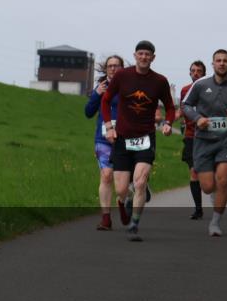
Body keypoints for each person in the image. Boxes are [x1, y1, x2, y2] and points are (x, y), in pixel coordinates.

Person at [102, 40, 176, 242]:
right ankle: (124, 200)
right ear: (135, 55)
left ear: (153, 57)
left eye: (148, 54)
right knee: (121, 189)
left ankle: (134, 224)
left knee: (140, 182)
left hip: (145, 138)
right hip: (123, 138)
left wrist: (168, 123)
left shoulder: (160, 81)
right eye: (140, 53)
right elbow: (106, 100)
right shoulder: (122, 76)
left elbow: (170, 106)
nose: (144, 57)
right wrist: (109, 126)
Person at [181, 49, 227, 237]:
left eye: (225, 61)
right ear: (213, 64)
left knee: (223, 179)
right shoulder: (200, 84)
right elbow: (186, 105)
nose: (222, 63)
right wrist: (197, 118)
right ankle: (214, 191)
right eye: (218, 60)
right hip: (203, 140)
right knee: (206, 186)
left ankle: (215, 222)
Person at [84, 55, 124, 230]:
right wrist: (96, 95)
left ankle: (124, 200)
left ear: (122, 68)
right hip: (104, 138)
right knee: (106, 175)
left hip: (126, 138)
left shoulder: (129, 86)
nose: (113, 69)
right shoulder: (100, 87)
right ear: (106, 69)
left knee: (125, 183)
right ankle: (106, 218)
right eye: (110, 66)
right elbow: (88, 112)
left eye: (116, 66)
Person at [177, 60, 207, 219]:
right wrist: (171, 119)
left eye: (199, 71)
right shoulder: (185, 90)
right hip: (190, 136)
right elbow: (183, 109)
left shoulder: (210, 89)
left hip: (208, 137)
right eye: (193, 71)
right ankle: (198, 209)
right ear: (189, 73)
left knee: (207, 175)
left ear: (204, 73)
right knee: (194, 172)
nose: (195, 73)